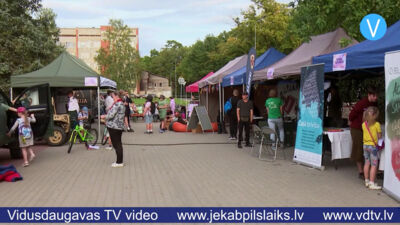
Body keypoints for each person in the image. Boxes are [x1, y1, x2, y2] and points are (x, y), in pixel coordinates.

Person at [349, 86, 378, 179]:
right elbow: (351, 115)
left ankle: (369, 170)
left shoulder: (374, 104)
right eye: (374, 96)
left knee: (368, 148)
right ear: (369, 95)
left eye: (376, 96)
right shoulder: (361, 103)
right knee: (359, 149)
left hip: (368, 129)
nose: (375, 98)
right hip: (357, 129)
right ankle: (361, 171)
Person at [101, 90, 125, 168]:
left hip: (115, 127)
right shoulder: (121, 103)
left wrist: (104, 116)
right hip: (118, 127)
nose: (112, 98)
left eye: (113, 96)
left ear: (116, 96)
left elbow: (111, 115)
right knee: (118, 144)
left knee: (117, 145)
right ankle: (119, 161)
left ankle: (119, 162)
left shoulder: (117, 104)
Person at [361, 106, 382, 190]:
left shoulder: (363, 124)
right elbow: (379, 136)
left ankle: (366, 181)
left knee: (367, 163)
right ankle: (372, 183)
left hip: (365, 145)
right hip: (373, 147)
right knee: (374, 165)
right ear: (375, 115)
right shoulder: (377, 124)